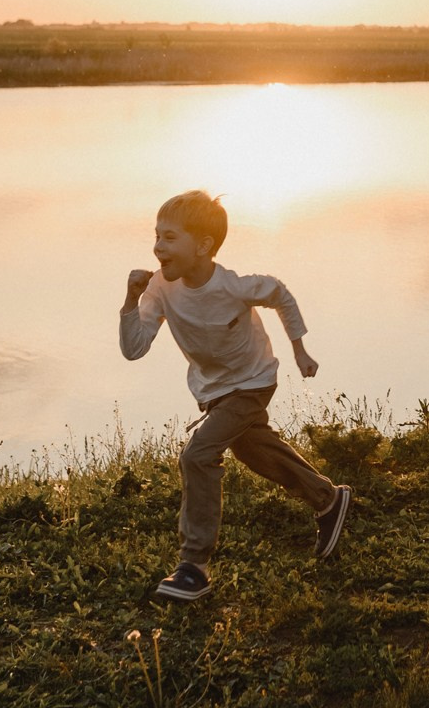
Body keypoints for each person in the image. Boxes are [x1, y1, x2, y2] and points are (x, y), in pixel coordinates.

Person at [120, 189, 350, 602]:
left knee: (198, 454)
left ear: (203, 246)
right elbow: (134, 349)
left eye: (170, 237)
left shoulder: (233, 286)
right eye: (156, 235)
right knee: (250, 448)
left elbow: (279, 293)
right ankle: (327, 498)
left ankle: (194, 568)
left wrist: (299, 349)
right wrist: (130, 301)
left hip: (253, 382)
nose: (157, 246)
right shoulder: (159, 289)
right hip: (215, 391)